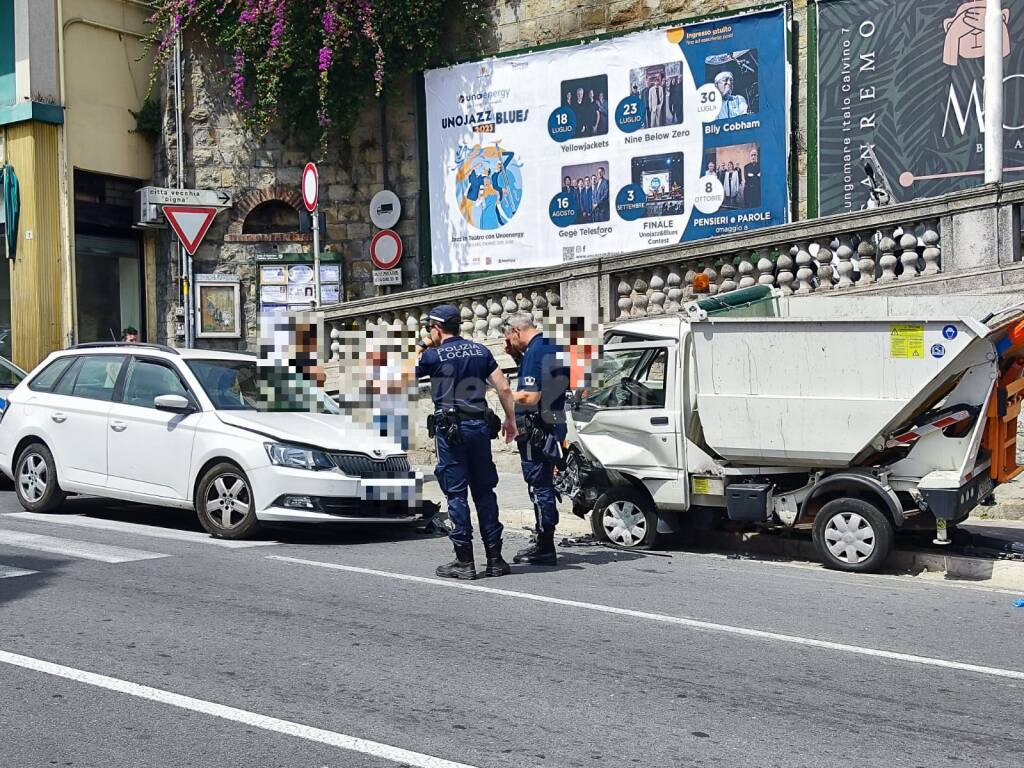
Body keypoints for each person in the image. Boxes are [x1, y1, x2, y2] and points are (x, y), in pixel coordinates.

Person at [416, 304, 518, 580]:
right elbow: (504, 388)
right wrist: (511, 420)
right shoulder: (481, 350)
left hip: (451, 433)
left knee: (456, 494)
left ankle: (464, 561)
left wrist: (422, 344)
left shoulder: (433, 356)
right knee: (485, 492)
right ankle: (495, 559)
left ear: (437, 328)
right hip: (479, 428)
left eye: (430, 329)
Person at [502, 312, 570, 567]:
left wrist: (504, 392)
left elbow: (530, 397)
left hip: (536, 430)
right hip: (554, 425)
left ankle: (545, 545)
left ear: (516, 331)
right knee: (545, 485)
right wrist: (515, 356)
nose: (508, 342)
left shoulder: (534, 352)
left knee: (538, 485)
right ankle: (545, 539)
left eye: (508, 336)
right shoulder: (552, 345)